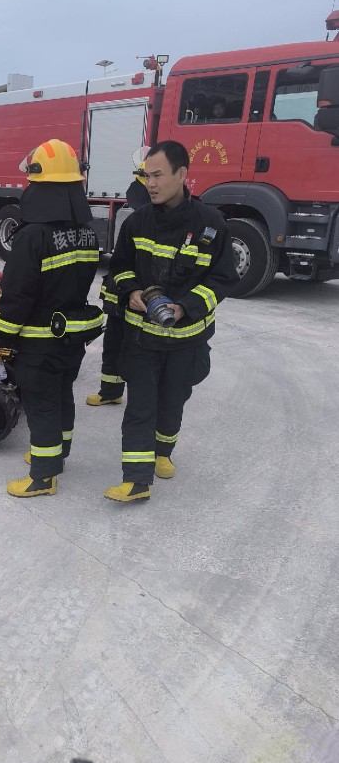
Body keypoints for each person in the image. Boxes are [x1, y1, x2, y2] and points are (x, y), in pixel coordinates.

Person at [104, 140, 238, 503]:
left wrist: (185, 307)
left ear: (182, 174)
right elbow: (119, 269)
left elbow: (223, 278)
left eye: (158, 175)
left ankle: (163, 452)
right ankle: (136, 481)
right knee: (140, 407)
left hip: (186, 342)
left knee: (172, 401)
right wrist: (131, 291)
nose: (151, 184)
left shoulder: (211, 225)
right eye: (147, 176)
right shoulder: (137, 223)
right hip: (142, 340)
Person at [0, 139, 103, 498]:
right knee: (62, 395)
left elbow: (18, 297)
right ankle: (58, 453)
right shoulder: (87, 232)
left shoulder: (32, 236)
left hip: (39, 342)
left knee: (41, 405)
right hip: (71, 337)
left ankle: (43, 476)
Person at [86, 152, 151, 408]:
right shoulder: (136, 215)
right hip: (121, 295)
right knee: (113, 344)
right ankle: (110, 391)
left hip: (138, 298)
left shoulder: (151, 220)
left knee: (135, 348)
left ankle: (140, 397)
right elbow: (121, 260)